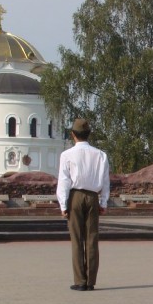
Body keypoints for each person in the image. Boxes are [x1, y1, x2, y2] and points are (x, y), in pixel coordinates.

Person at [56, 118, 110, 292]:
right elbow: (105, 181)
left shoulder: (67, 155)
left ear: (73, 135)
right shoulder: (101, 155)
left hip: (75, 196)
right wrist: (103, 202)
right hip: (93, 196)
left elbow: (64, 181)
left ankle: (80, 280)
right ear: (89, 134)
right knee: (92, 238)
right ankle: (91, 281)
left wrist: (63, 205)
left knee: (77, 239)